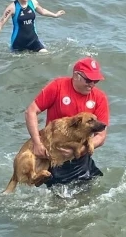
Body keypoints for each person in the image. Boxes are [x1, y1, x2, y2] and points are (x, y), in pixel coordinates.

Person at [25, 57, 110, 187]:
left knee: (88, 193)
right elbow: (31, 111)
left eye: (96, 81)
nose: (92, 84)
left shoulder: (99, 97)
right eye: (88, 80)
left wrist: (81, 149)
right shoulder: (58, 86)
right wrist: (37, 143)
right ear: (76, 75)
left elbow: (101, 135)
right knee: (59, 197)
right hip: (55, 152)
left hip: (80, 155)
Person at [0, 0, 65, 54]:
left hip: (33, 41)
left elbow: (42, 11)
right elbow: (0, 24)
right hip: (18, 43)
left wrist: (55, 15)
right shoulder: (12, 7)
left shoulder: (33, 3)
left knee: (46, 55)